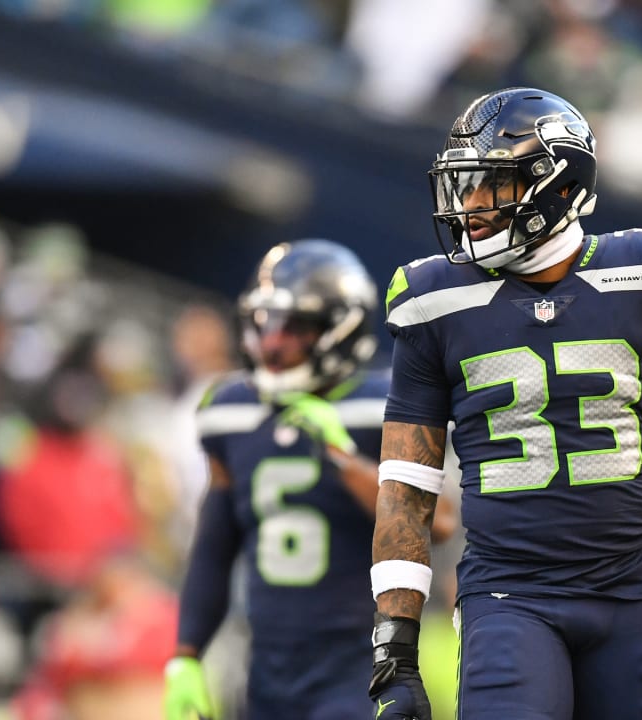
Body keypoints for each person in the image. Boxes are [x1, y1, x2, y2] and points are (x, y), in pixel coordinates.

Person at [367, 87, 642, 719]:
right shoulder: (434, 302)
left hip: (635, 595)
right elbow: (406, 489)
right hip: (509, 594)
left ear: (556, 184)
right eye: (464, 186)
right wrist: (396, 646)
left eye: (489, 186)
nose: (468, 207)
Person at [162, 239, 455, 720]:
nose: (273, 344)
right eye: (265, 325)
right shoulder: (231, 410)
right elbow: (214, 545)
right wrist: (185, 656)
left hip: (362, 665)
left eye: (292, 329)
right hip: (268, 667)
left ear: (339, 330)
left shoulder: (384, 405)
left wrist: (344, 457)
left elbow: (438, 523)